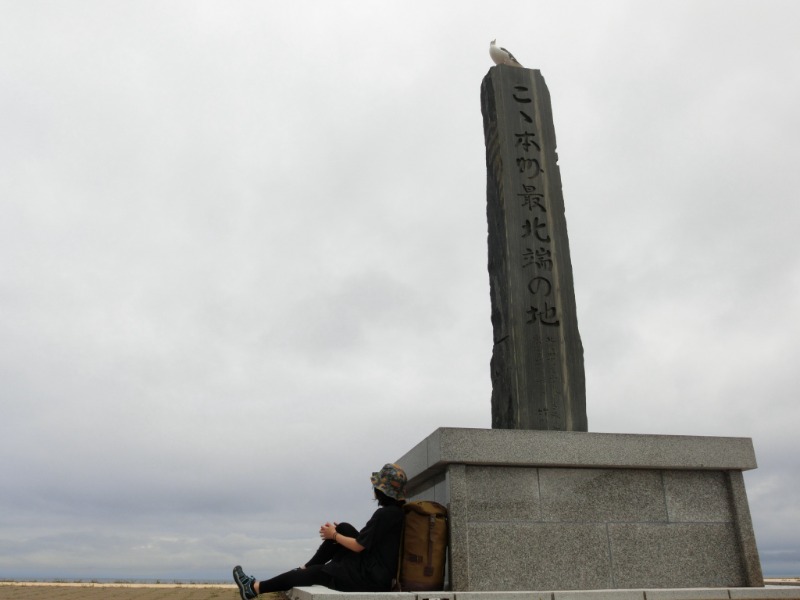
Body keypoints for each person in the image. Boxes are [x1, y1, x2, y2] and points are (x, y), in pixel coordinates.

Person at [233, 463, 407, 598]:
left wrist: (334, 535)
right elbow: (366, 543)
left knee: (317, 573)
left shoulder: (384, 514)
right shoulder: (396, 512)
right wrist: (338, 533)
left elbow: (358, 547)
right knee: (344, 527)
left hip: (369, 579)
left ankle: (255, 588)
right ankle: (303, 568)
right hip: (377, 571)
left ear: (381, 490)